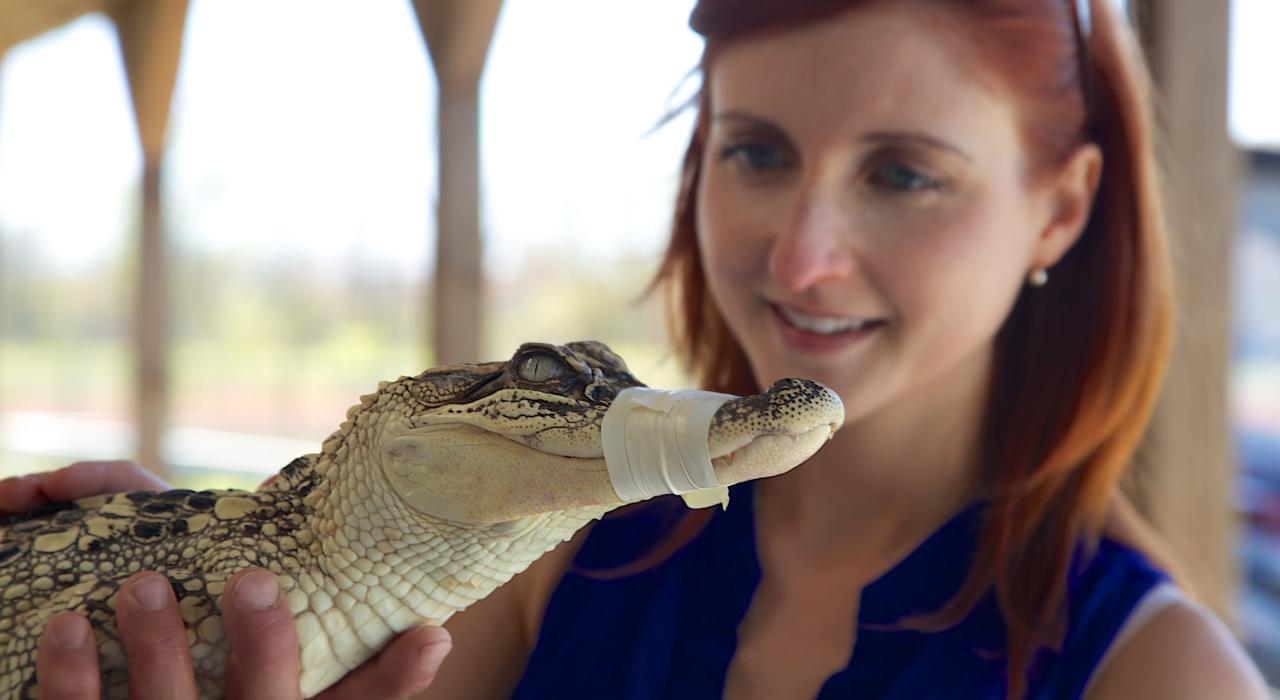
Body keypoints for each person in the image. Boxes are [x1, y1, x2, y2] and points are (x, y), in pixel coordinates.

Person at [2, 0, 1270, 697]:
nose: (800, 259)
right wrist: (171, 576)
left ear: (1059, 207)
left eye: (902, 174)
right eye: (755, 152)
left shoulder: (1162, 677)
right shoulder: (538, 548)